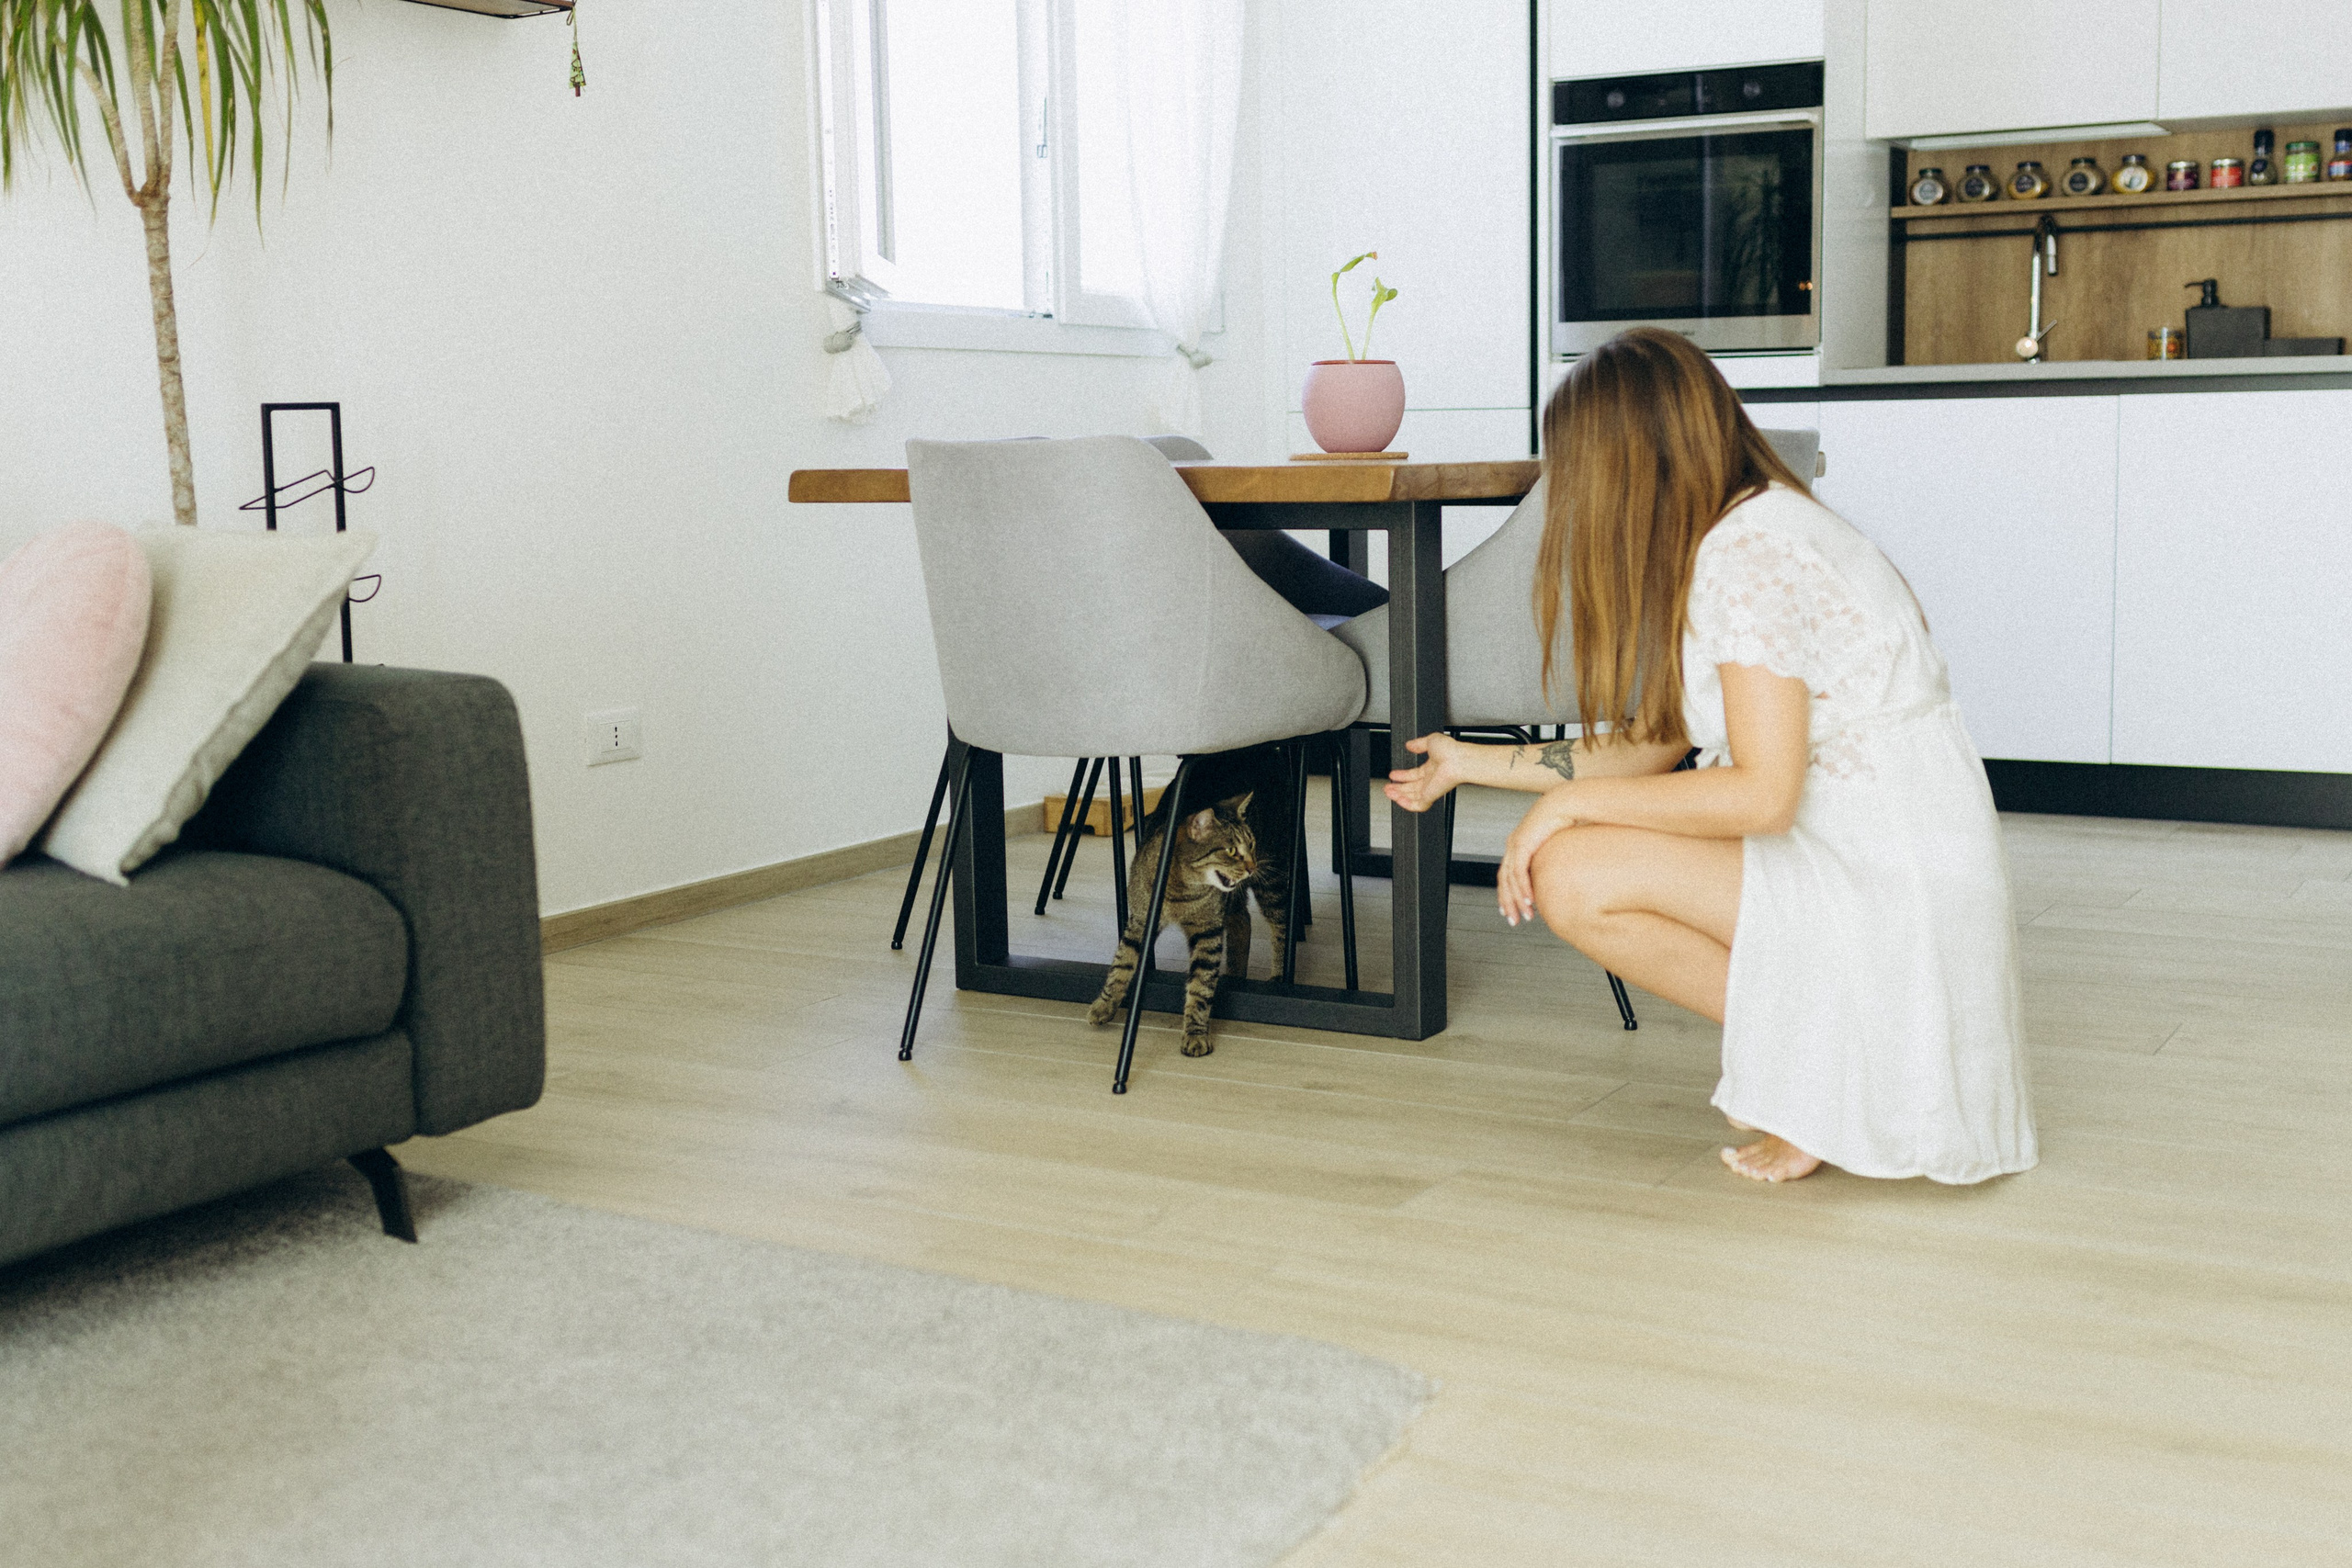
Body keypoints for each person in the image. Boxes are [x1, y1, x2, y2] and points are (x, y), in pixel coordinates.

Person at [1383, 328, 2036, 1185]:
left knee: (1573, 872)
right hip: (1883, 859)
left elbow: (1763, 796)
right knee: (1575, 853)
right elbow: (1654, 746)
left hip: (1885, 879)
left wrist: (1565, 808)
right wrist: (1473, 764)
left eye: (1572, 470)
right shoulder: (1752, 523)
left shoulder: (1748, 555)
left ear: (1624, 464)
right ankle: (1820, 1064)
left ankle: (1818, 1071)